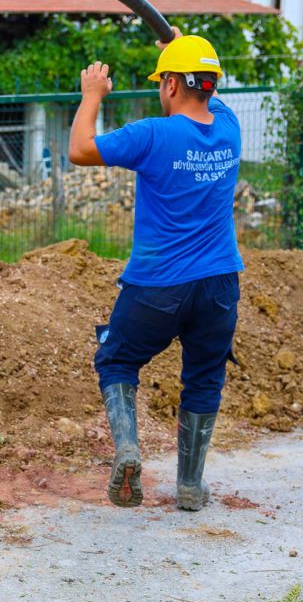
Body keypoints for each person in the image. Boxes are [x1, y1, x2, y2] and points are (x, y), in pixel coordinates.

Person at [68, 28, 243, 511]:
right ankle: (189, 486)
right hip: (220, 285)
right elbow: (207, 89)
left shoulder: (152, 135)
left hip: (156, 287)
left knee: (117, 361)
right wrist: (184, 50)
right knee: (205, 376)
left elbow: (80, 149)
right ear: (210, 84)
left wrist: (91, 95)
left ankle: (127, 448)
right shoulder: (229, 129)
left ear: (168, 85)